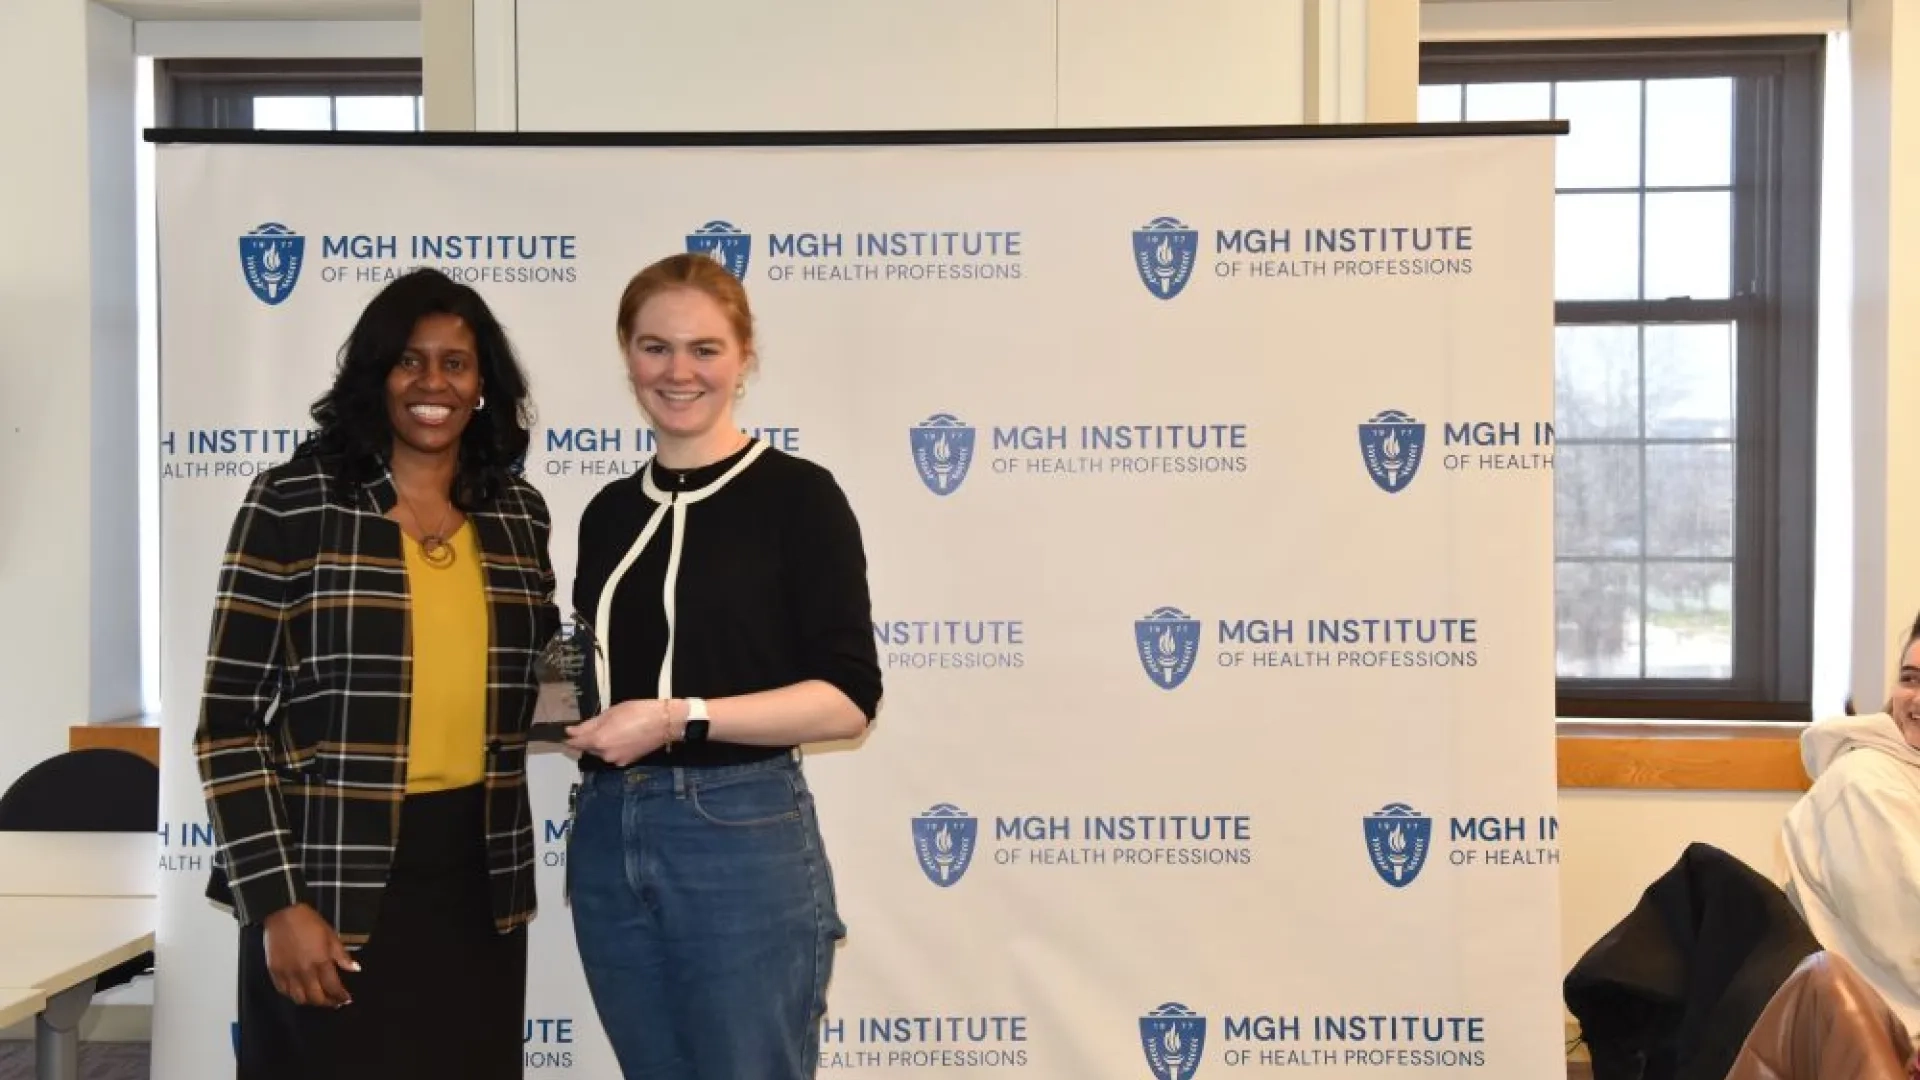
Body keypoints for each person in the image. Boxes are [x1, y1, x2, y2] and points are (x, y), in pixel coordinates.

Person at [195, 267, 559, 1079]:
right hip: (327, 877)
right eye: (409, 360)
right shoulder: (292, 503)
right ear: (375, 375)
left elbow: (540, 682)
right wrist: (277, 906)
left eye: (456, 364)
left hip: (479, 883)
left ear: (483, 387)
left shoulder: (516, 514)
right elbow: (227, 729)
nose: (433, 382)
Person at [564, 252, 882, 1080]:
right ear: (627, 354)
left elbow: (848, 698)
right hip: (606, 832)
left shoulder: (799, 497)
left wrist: (676, 716)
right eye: (655, 346)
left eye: (704, 348)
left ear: (745, 359)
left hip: (740, 831)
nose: (678, 371)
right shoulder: (607, 512)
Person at [1781, 611, 1920, 1049]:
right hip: (1885, 1037)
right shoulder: (1865, 783)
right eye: (1910, 678)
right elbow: (1910, 941)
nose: (1915, 699)